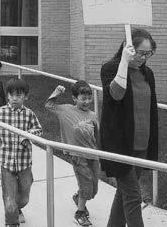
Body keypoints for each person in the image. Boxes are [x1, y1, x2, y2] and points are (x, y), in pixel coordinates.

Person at [100, 28, 158, 227]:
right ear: (128, 48)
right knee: (134, 196)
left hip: (141, 144)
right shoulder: (110, 68)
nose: (144, 57)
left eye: (148, 53)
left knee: (123, 193)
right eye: (140, 52)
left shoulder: (147, 73)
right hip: (120, 144)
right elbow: (115, 94)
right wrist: (124, 62)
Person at [0, 78, 43, 226]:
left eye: (19, 95)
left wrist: (27, 135)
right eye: (11, 95)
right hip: (7, 163)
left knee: (24, 198)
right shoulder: (0, 112)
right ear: (7, 96)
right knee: (9, 198)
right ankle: (11, 221)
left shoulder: (29, 114)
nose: (15, 98)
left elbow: (38, 130)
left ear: (26, 96)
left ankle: (17, 208)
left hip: (24, 163)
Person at [45, 81, 99, 226]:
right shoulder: (66, 110)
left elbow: (97, 135)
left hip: (93, 155)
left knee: (93, 189)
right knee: (87, 186)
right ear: (75, 99)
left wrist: (101, 153)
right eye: (83, 98)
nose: (87, 101)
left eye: (89, 98)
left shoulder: (93, 115)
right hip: (77, 156)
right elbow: (49, 105)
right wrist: (57, 92)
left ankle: (78, 197)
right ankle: (80, 214)